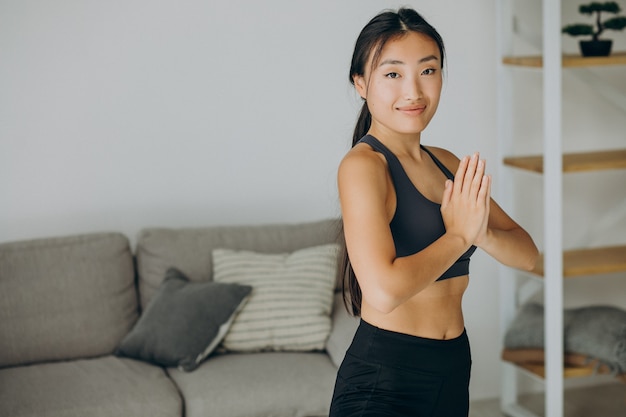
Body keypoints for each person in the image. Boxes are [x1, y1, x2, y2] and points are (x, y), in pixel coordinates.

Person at [329, 7, 539, 417]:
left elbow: (528, 254)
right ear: (360, 83)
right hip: (385, 379)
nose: (414, 91)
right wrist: (459, 236)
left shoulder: (446, 162)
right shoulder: (363, 166)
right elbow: (384, 291)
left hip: (453, 368)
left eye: (428, 71)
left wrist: (481, 233)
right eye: (393, 74)